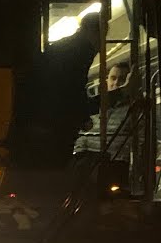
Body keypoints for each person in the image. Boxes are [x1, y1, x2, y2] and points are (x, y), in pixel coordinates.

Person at [9, 13, 103, 167]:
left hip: (35, 118)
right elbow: (73, 88)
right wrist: (83, 117)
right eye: (102, 35)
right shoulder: (81, 51)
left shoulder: (64, 47)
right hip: (54, 124)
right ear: (93, 32)